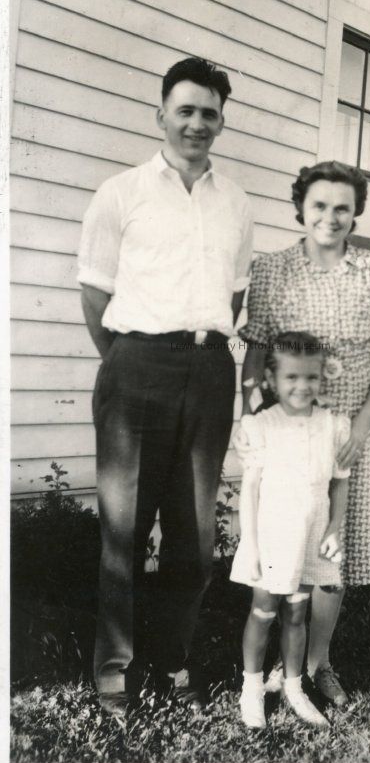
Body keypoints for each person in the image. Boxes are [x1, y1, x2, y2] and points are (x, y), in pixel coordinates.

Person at [77, 57, 253, 718]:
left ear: (221, 123)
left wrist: (193, 357)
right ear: (161, 115)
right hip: (136, 367)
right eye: (186, 110)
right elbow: (95, 295)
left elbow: (233, 296)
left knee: (195, 536)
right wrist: (130, 360)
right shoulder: (120, 193)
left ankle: (173, 659)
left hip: (208, 371)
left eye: (209, 113)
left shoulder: (235, 202)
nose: (197, 123)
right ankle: (115, 672)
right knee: (124, 530)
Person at [240, 161, 370, 706]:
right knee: (287, 540)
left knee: (333, 555)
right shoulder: (273, 269)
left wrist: (362, 425)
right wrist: (253, 417)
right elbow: (255, 353)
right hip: (289, 432)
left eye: (343, 207)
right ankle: (276, 666)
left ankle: (318, 663)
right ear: (301, 208)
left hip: (351, 430)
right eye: (319, 205)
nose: (330, 217)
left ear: (356, 212)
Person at [230, 332, 351, 729]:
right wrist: (251, 544)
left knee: (297, 613)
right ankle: (251, 690)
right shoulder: (262, 425)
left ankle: (294, 687)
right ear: (271, 379)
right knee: (264, 611)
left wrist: (333, 529)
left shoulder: (332, 425)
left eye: (311, 377)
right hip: (273, 533)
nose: (302, 386)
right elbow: (250, 488)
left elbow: (340, 482)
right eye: (292, 377)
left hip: (311, 533)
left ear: (322, 377)